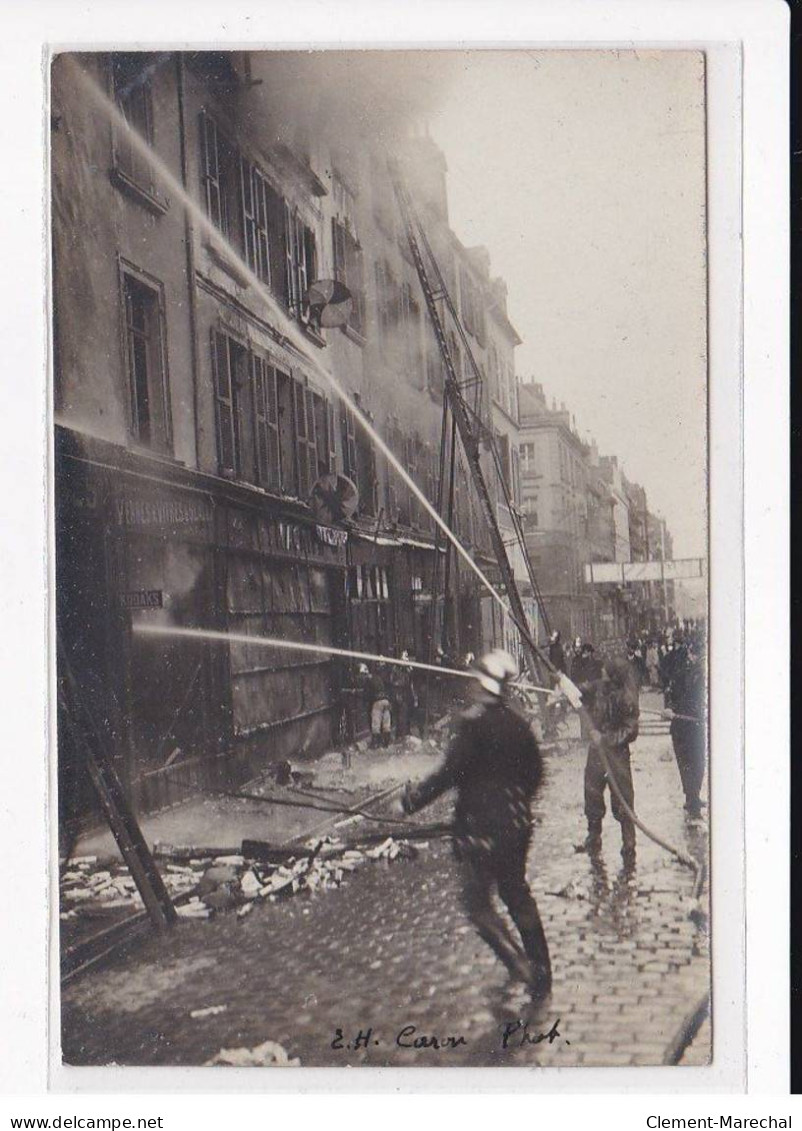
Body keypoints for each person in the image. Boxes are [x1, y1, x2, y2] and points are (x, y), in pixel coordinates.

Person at [398, 650, 551, 993]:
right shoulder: (518, 725)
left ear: (483, 684)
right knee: (517, 895)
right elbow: (536, 774)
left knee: (478, 904)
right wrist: (515, 802)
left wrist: (413, 800)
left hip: (481, 830)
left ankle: (519, 965)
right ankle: (542, 969)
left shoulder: (473, 727)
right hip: (517, 825)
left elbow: (448, 774)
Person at [576, 656, 640, 865]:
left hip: (617, 755)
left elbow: (630, 731)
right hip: (597, 753)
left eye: (605, 670)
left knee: (622, 797)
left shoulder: (627, 698)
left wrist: (605, 739)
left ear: (613, 675)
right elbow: (581, 691)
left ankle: (628, 841)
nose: (601, 672)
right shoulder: (599, 689)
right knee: (592, 793)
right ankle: (593, 836)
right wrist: (563, 682)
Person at [664, 635, 706, 819]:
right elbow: (670, 692)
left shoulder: (706, 673)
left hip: (697, 725)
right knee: (687, 764)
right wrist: (669, 709)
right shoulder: (680, 672)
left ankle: (693, 795)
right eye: (696, 655)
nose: (698, 659)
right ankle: (692, 799)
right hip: (681, 726)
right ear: (690, 654)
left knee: (699, 762)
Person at [366, 663, 393, 749]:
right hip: (386, 701)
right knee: (386, 724)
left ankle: (376, 745)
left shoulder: (370, 680)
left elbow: (368, 694)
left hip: (377, 702)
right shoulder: (381, 678)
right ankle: (386, 744)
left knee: (376, 724)